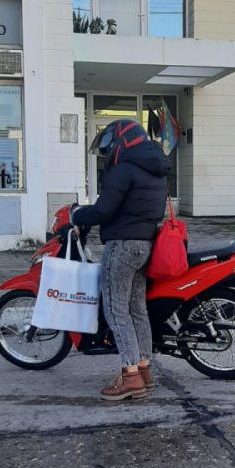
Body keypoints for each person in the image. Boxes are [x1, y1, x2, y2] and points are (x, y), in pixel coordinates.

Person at [71, 119, 171, 401]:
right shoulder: (156, 168)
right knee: (137, 308)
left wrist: (76, 215)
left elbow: (104, 210)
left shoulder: (125, 169)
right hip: (145, 246)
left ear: (122, 141)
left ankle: (130, 377)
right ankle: (144, 369)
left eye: (111, 144)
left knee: (116, 310)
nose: (109, 151)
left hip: (123, 247)